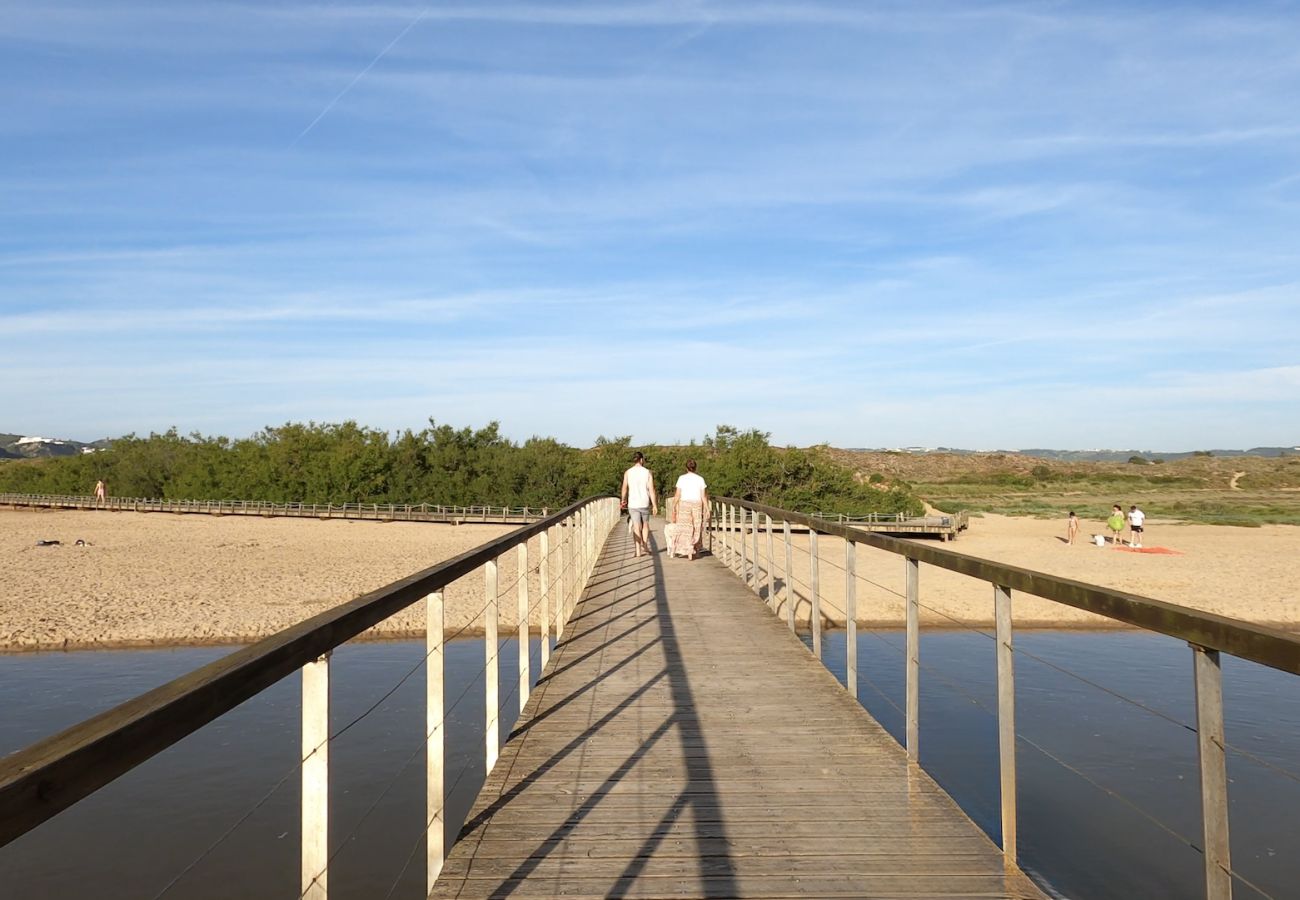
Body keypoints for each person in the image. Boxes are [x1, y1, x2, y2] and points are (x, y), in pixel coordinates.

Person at [620, 452, 657, 558]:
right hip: (644, 502)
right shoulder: (647, 472)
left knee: (636, 527)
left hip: (633, 503)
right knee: (645, 525)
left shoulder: (628, 472)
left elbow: (624, 488)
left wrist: (623, 500)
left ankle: (638, 551)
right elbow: (651, 490)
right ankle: (645, 545)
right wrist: (654, 505)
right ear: (641, 460)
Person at [672, 459, 709, 560]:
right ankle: (696, 550)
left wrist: (674, 506)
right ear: (695, 468)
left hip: (684, 504)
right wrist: (707, 508)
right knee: (696, 527)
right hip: (697, 504)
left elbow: (678, 494)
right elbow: (703, 496)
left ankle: (688, 551)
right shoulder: (700, 479)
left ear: (686, 468)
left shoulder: (681, 478)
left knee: (686, 528)